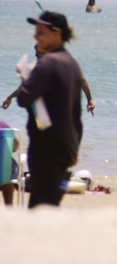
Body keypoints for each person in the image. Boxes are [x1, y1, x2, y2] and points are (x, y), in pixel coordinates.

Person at [15, 11, 86, 208]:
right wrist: (75, 148)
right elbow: (76, 115)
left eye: (41, 32)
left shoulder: (47, 63)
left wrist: (24, 75)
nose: (35, 36)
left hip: (46, 146)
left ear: (57, 33)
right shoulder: (72, 63)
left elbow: (23, 98)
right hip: (66, 147)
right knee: (50, 203)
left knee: (40, 206)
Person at [0, 119, 19, 205]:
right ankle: (9, 205)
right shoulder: (4, 127)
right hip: (5, 177)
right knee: (6, 166)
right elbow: (14, 148)